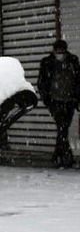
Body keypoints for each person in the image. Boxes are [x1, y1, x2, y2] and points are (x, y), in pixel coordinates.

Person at [38, 40, 80, 168]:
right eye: (58, 51)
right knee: (62, 127)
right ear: (54, 50)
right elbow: (42, 82)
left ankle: (58, 155)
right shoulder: (47, 62)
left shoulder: (73, 60)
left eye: (62, 51)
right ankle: (66, 157)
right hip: (55, 101)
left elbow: (78, 80)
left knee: (63, 128)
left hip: (69, 101)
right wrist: (46, 99)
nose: (59, 54)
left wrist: (76, 98)